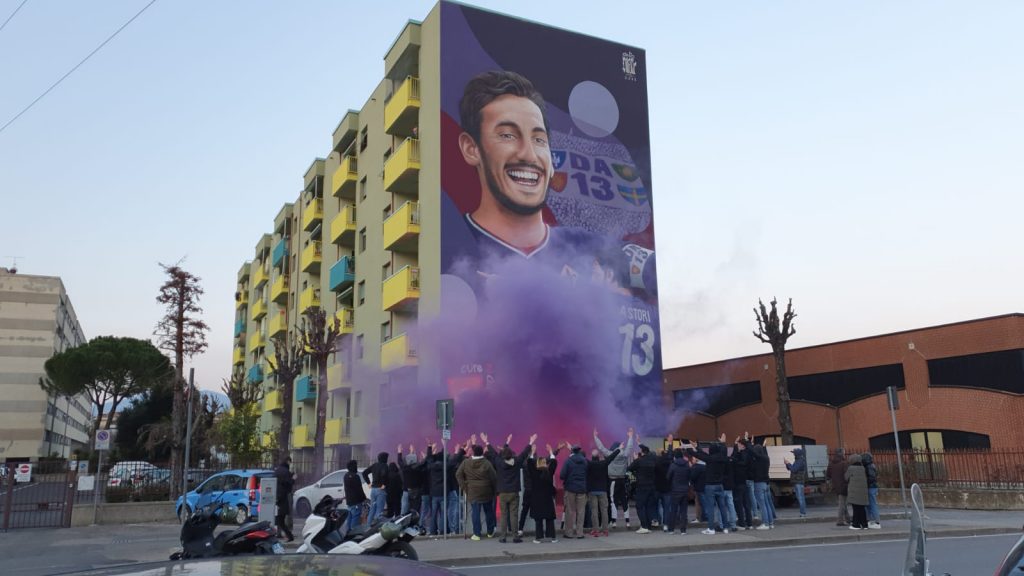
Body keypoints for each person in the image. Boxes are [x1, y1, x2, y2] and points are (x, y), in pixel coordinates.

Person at [486, 433, 534, 543]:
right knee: (514, 515)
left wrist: (487, 442)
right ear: (512, 455)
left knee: (503, 515)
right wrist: (530, 442)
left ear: (502, 455)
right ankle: (515, 536)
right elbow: (524, 453)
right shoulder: (516, 462)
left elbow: (493, 454)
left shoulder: (498, 462)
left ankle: (503, 537)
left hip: (502, 492)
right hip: (514, 492)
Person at [685, 440, 733, 534]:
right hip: (720, 485)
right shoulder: (723, 458)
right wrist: (697, 447)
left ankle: (711, 528)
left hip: (710, 486)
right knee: (722, 507)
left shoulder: (710, 459)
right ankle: (725, 527)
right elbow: (704, 454)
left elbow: (699, 455)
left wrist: (689, 448)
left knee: (710, 507)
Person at [594, 427, 635, 529]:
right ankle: (628, 521)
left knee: (613, 501)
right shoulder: (625, 454)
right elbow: (629, 447)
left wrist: (595, 437)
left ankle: (614, 522)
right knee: (624, 500)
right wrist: (630, 437)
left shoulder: (610, 454)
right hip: (622, 480)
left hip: (612, 481)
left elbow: (601, 448)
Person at [456, 444, 498, 541]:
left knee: (475, 512)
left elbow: (458, 474)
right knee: (489, 512)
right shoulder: (486, 463)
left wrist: (464, 487)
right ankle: (490, 532)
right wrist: (494, 490)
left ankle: (477, 534)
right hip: (486, 491)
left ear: (474, 452)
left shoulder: (466, 462)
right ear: (482, 452)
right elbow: (494, 477)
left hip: (473, 491)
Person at [527, 443, 562, 543]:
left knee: (538, 520)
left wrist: (532, 452)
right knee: (549, 518)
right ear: (545, 463)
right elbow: (554, 462)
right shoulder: (549, 472)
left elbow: (529, 463)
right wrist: (551, 451)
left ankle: (538, 538)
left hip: (537, 499)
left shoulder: (534, 473)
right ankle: (552, 537)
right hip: (547, 499)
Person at [586, 444, 620, 537]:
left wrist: (570, 449)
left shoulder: (589, 464)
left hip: (592, 491)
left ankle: (596, 530)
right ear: (599, 456)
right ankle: (605, 530)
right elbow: (611, 457)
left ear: (592, 457)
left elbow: (581, 458)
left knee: (594, 511)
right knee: (604, 510)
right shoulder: (603, 463)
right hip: (603, 490)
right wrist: (619, 449)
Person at [627, 444, 658, 534]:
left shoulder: (639, 461)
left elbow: (629, 469)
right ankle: (648, 526)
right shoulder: (653, 460)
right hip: (651, 486)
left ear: (642, 452)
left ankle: (644, 526)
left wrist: (636, 459)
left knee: (640, 506)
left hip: (642, 486)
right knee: (648, 506)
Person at [560, 444, 589, 539]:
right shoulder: (585, 461)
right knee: (581, 511)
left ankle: (569, 532)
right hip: (582, 489)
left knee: (569, 511)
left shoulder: (568, 461)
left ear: (572, 451)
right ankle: (580, 533)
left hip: (570, 489)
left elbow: (562, 475)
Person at [749, 439, 776, 530]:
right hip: (766, 483)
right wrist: (763, 447)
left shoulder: (758, 460)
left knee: (762, 505)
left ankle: (765, 523)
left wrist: (748, 444)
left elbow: (754, 455)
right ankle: (770, 522)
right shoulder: (766, 458)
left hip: (759, 483)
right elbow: (761, 453)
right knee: (767, 504)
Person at [665, 448, 691, 535]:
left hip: (675, 490)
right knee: (683, 511)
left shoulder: (673, 465)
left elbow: (668, 477)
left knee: (673, 510)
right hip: (685, 490)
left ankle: (671, 529)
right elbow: (689, 476)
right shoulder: (687, 464)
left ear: (675, 456)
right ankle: (683, 530)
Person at [731, 437, 753, 530]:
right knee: (746, 503)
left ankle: (742, 523)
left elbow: (734, 459)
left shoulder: (742, 455)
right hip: (744, 481)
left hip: (739, 481)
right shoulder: (748, 453)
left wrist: (736, 451)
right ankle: (749, 523)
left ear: (742, 446)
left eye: (738, 444)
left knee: (739, 503)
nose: (737, 446)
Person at [361, 452, 390, 523]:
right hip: (380, 490)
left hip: (373, 490)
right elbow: (384, 474)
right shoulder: (385, 466)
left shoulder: (374, 465)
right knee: (379, 511)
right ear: (385, 458)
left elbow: (364, 473)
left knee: (372, 510)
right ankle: (376, 530)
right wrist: (384, 484)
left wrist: (369, 483)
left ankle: (368, 527)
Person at [826, 448, 850, 526]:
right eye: (844, 453)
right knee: (842, 504)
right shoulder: (844, 463)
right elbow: (847, 476)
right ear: (841, 454)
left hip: (836, 485)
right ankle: (840, 520)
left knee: (842, 502)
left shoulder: (831, 463)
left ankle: (848, 519)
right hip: (843, 485)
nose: (844, 454)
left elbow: (828, 475)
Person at [273, 458, 295, 542]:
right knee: (280, 520)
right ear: (288, 461)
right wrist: (293, 479)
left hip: (278, 498)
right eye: (290, 462)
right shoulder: (285, 471)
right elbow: (288, 484)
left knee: (279, 520)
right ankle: (289, 536)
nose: (290, 464)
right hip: (282, 498)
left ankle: (287, 535)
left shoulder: (278, 470)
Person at [845, 453, 869, 530]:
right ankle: (864, 524)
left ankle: (856, 524)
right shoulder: (863, 468)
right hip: (863, 492)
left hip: (854, 492)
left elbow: (846, 477)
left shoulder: (851, 468)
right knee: (862, 509)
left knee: (856, 509)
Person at [343, 460, 367, 533]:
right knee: (355, 517)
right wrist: (364, 498)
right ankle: (354, 533)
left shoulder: (346, 476)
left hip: (349, 501)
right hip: (356, 501)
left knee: (349, 517)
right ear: (353, 466)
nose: (356, 467)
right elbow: (359, 489)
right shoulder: (356, 477)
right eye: (356, 465)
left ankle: (348, 532)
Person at [785, 447, 808, 518]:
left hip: (799, 482)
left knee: (801, 498)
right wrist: (787, 464)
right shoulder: (798, 460)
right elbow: (791, 469)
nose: (793, 454)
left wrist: (788, 464)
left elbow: (794, 469)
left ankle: (803, 513)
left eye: (794, 453)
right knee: (800, 498)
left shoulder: (800, 461)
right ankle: (802, 513)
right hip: (797, 482)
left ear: (797, 454)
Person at [863, 452, 881, 529]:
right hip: (872, 487)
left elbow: (871, 478)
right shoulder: (871, 466)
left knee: (872, 504)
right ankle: (870, 520)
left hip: (871, 487)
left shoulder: (869, 467)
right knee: (869, 505)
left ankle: (877, 521)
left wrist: (865, 483)